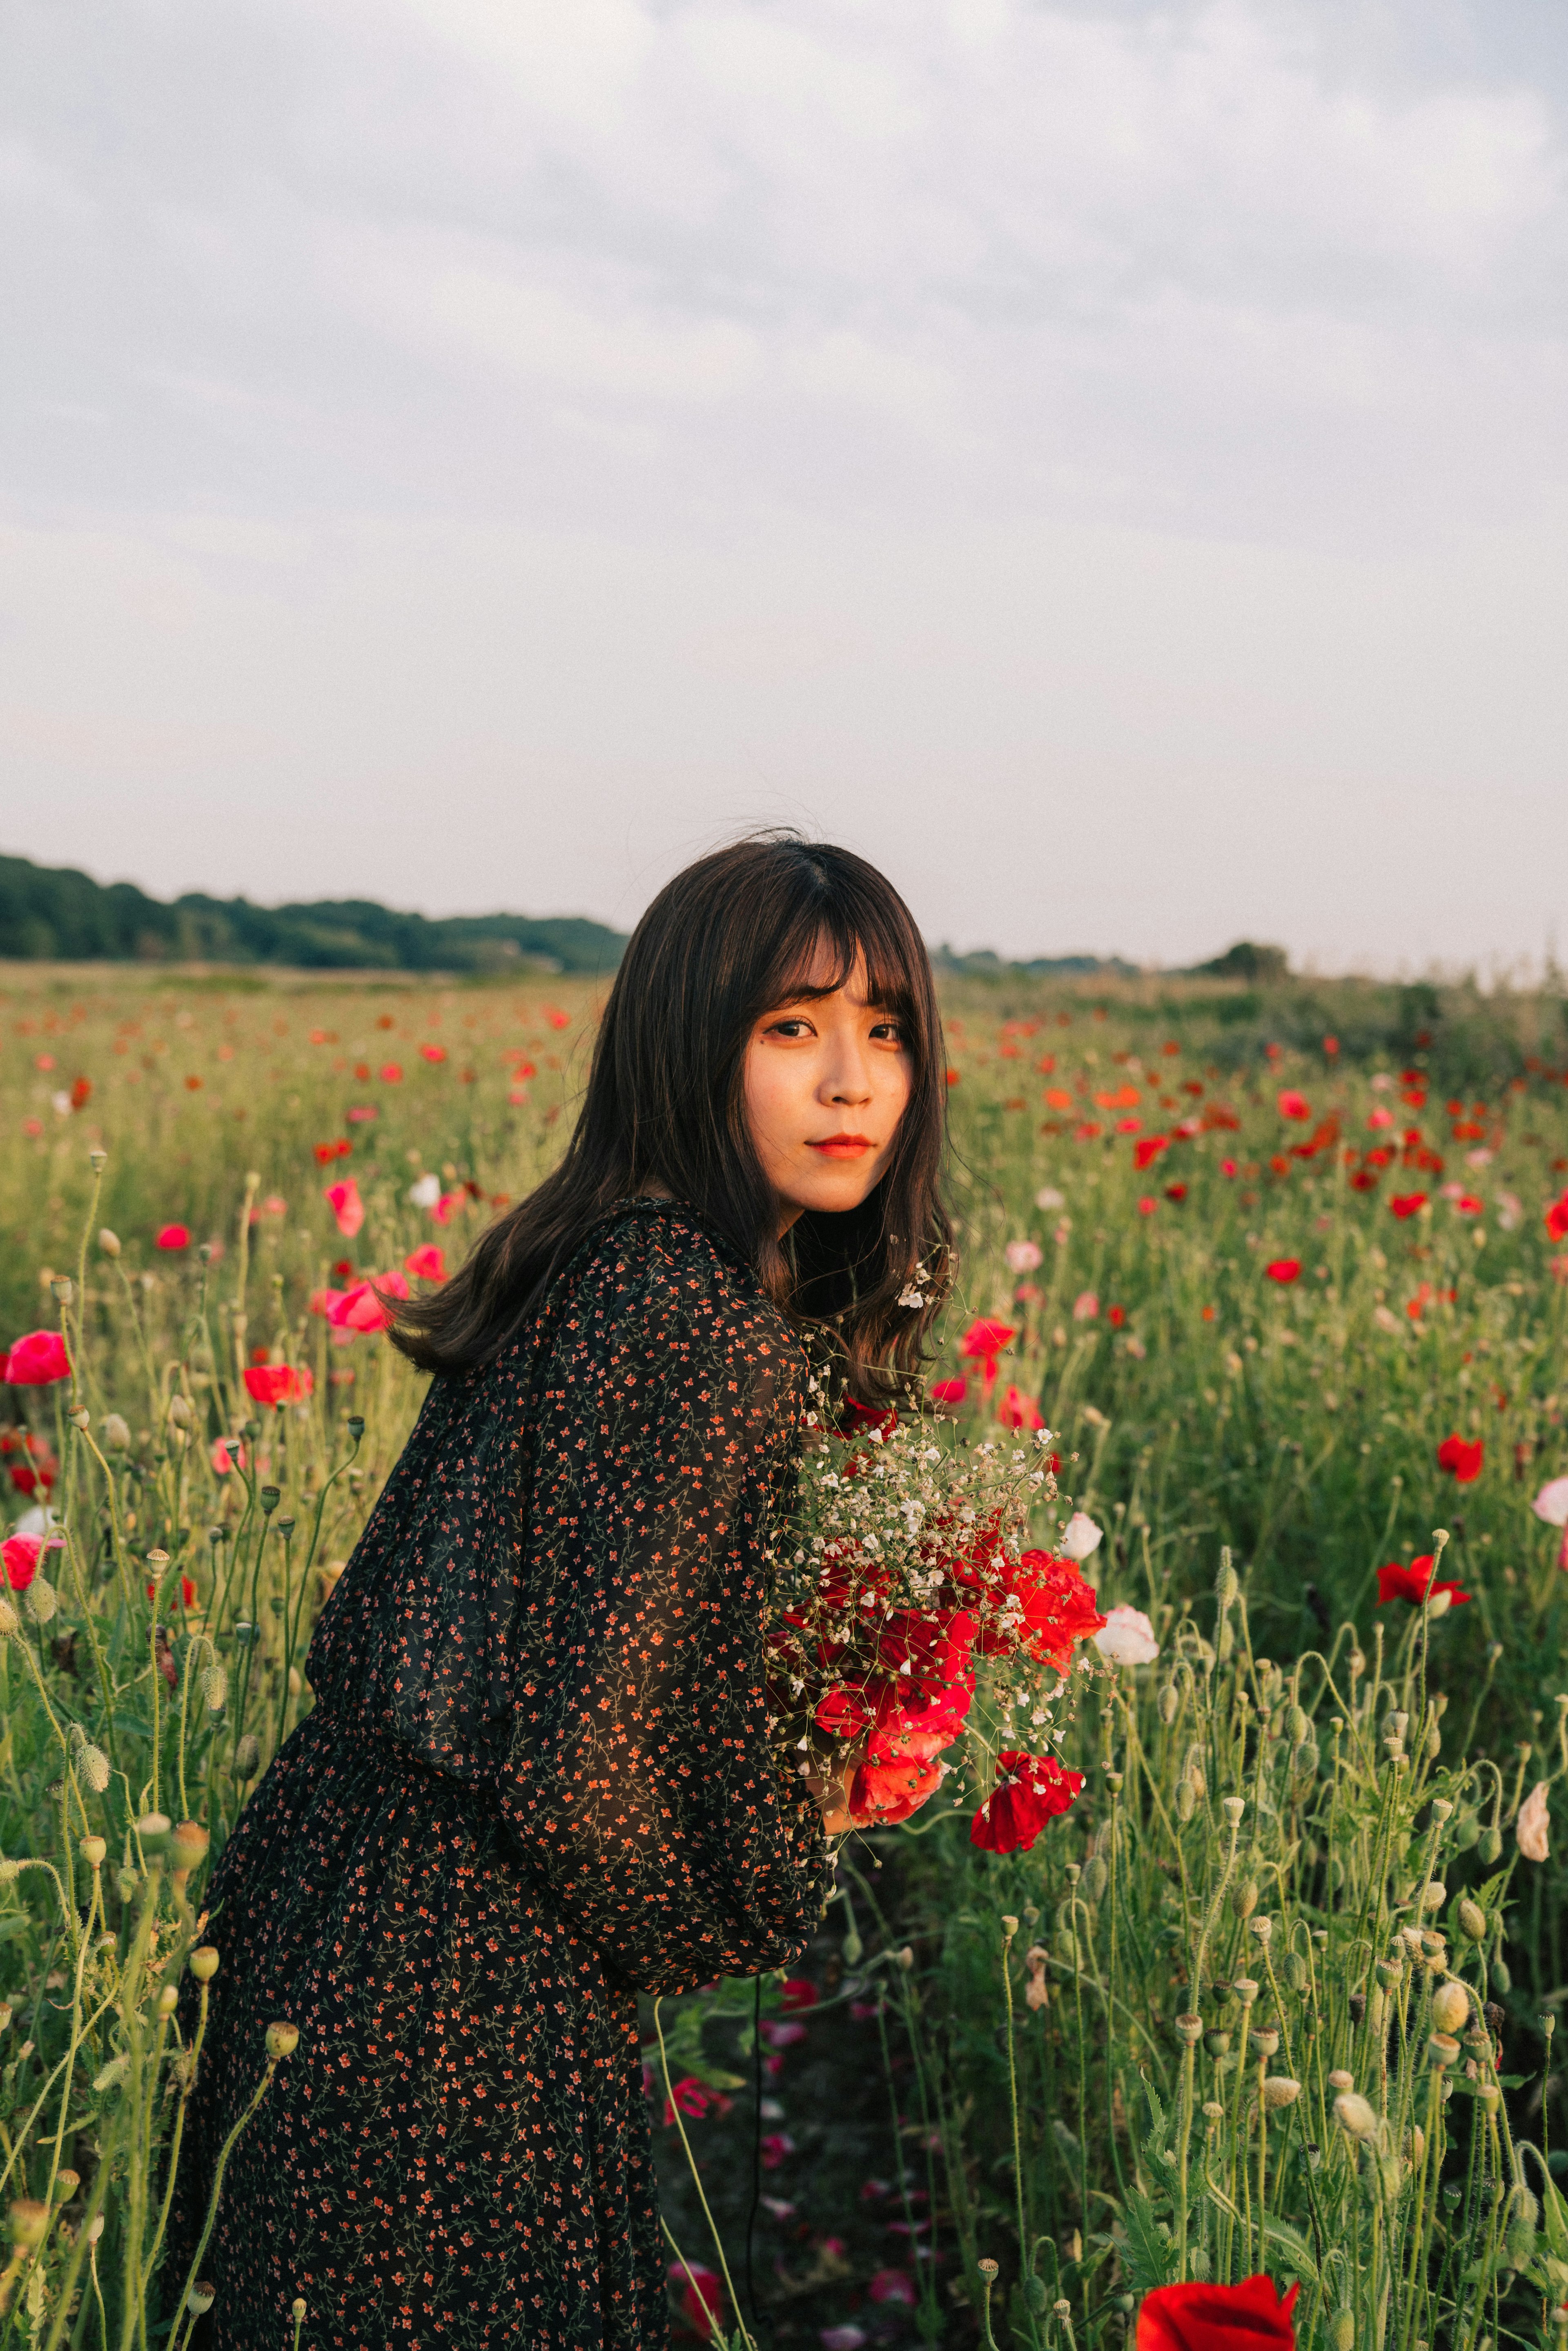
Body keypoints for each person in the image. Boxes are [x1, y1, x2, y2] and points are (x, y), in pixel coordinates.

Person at [176, 836, 954, 2349]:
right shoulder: (689, 1320)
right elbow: (580, 1766)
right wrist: (786, 1846)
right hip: (454, 1994)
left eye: (888, 1032)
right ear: (686, 1043)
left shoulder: (610, 1257)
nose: (852, 1082)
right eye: (791, 1028)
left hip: (335, 1904)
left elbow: (584, 1667)